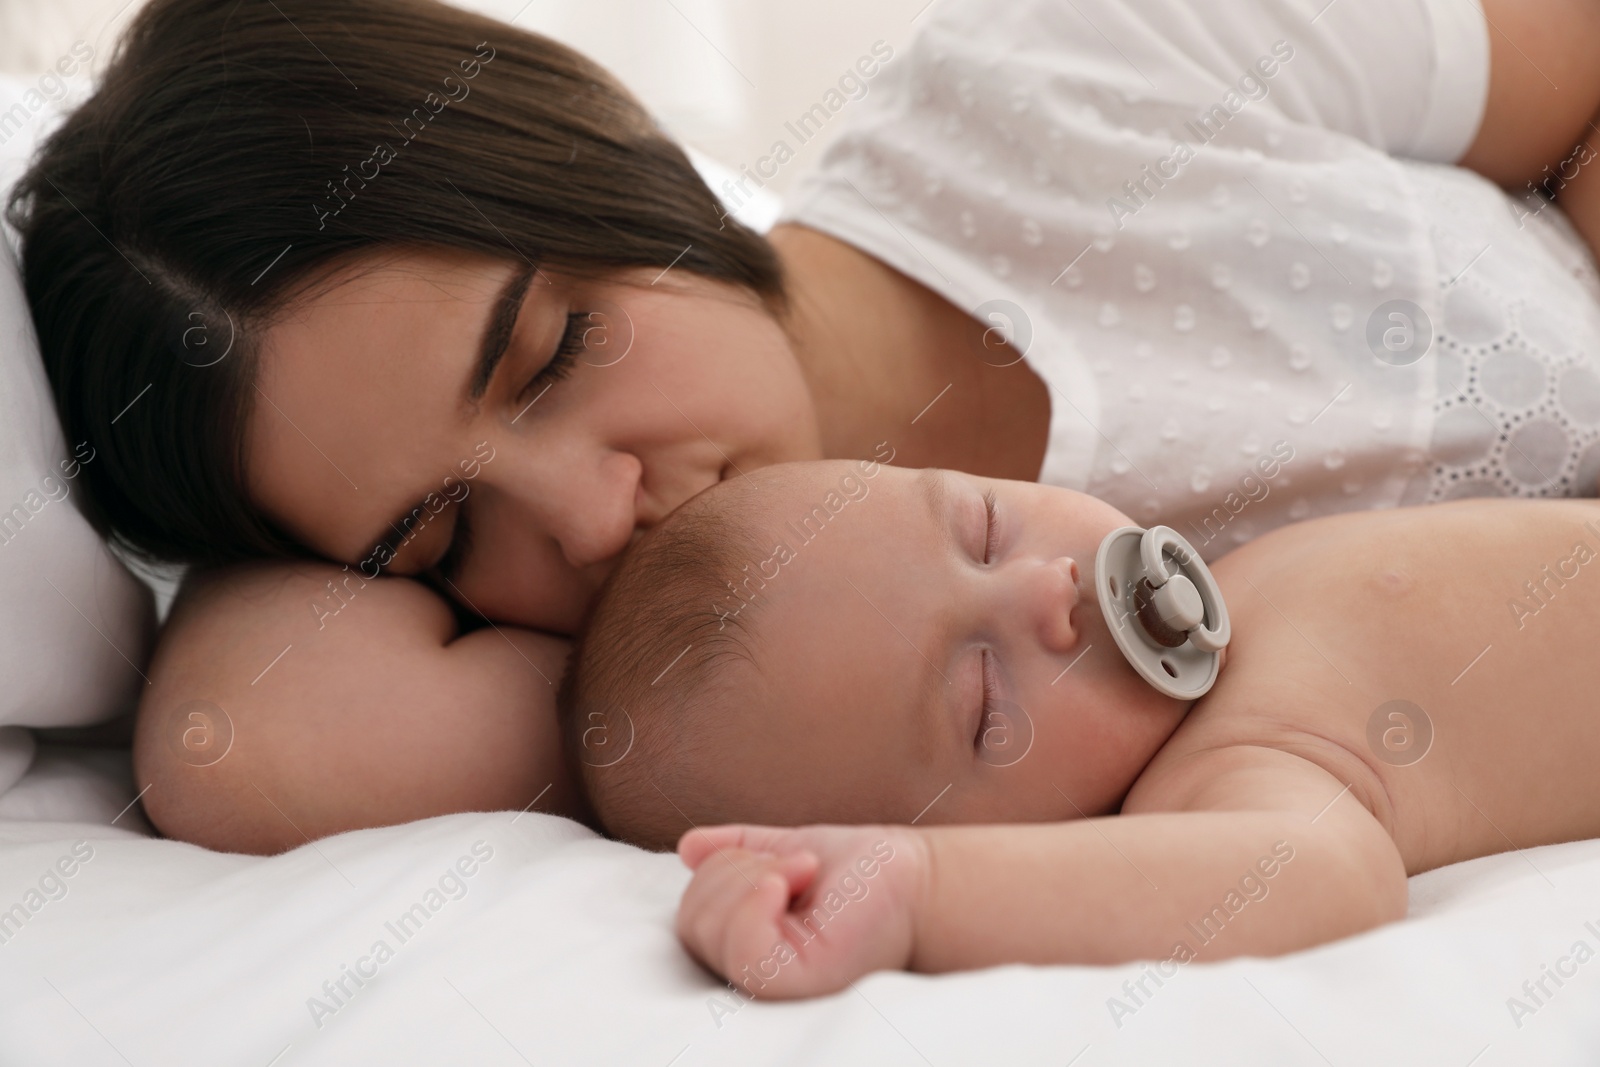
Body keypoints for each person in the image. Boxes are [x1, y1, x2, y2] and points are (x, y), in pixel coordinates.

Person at [12, 0, 1600, 852]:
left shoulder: (1076, 77)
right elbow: (252, 753)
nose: (582, 518)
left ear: (619, 158)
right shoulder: (747, 706)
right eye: (441, 532)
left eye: (555, 350)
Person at [561, 459, 1600, 998]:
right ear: (1002, 842)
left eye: (981, 526)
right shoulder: (1225, 774)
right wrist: (917, 892)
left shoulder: (1229, 611)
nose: (1043, 587)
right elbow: (1320, 872)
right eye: (982, 699)